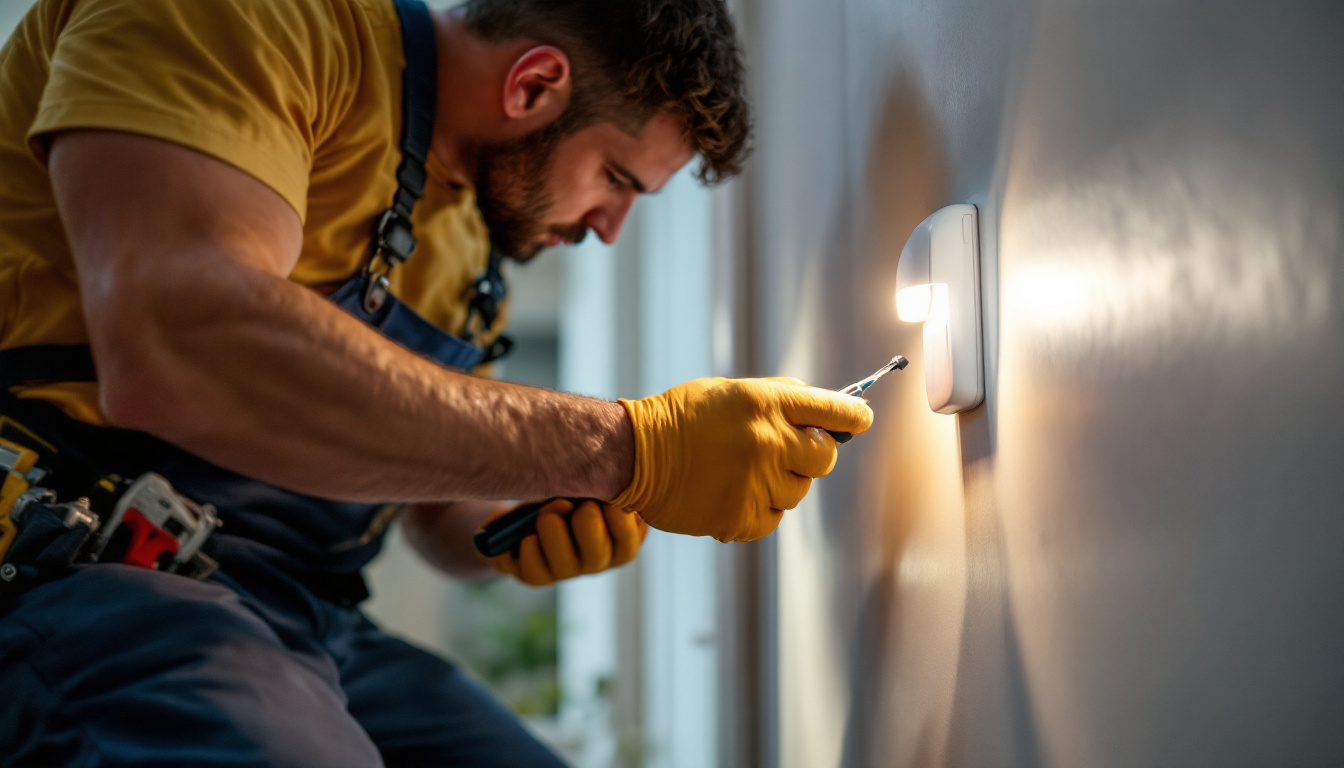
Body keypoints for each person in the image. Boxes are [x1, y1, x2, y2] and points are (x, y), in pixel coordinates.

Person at [0, 0, 873, 764]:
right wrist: (624, 448)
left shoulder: (467, 239)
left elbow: (432, 518)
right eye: (616, 178)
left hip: (304, 613)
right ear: (533, 84)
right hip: (79, 562)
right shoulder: (261, 21)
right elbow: (179, 344)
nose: (610, 228)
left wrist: (520, 522)